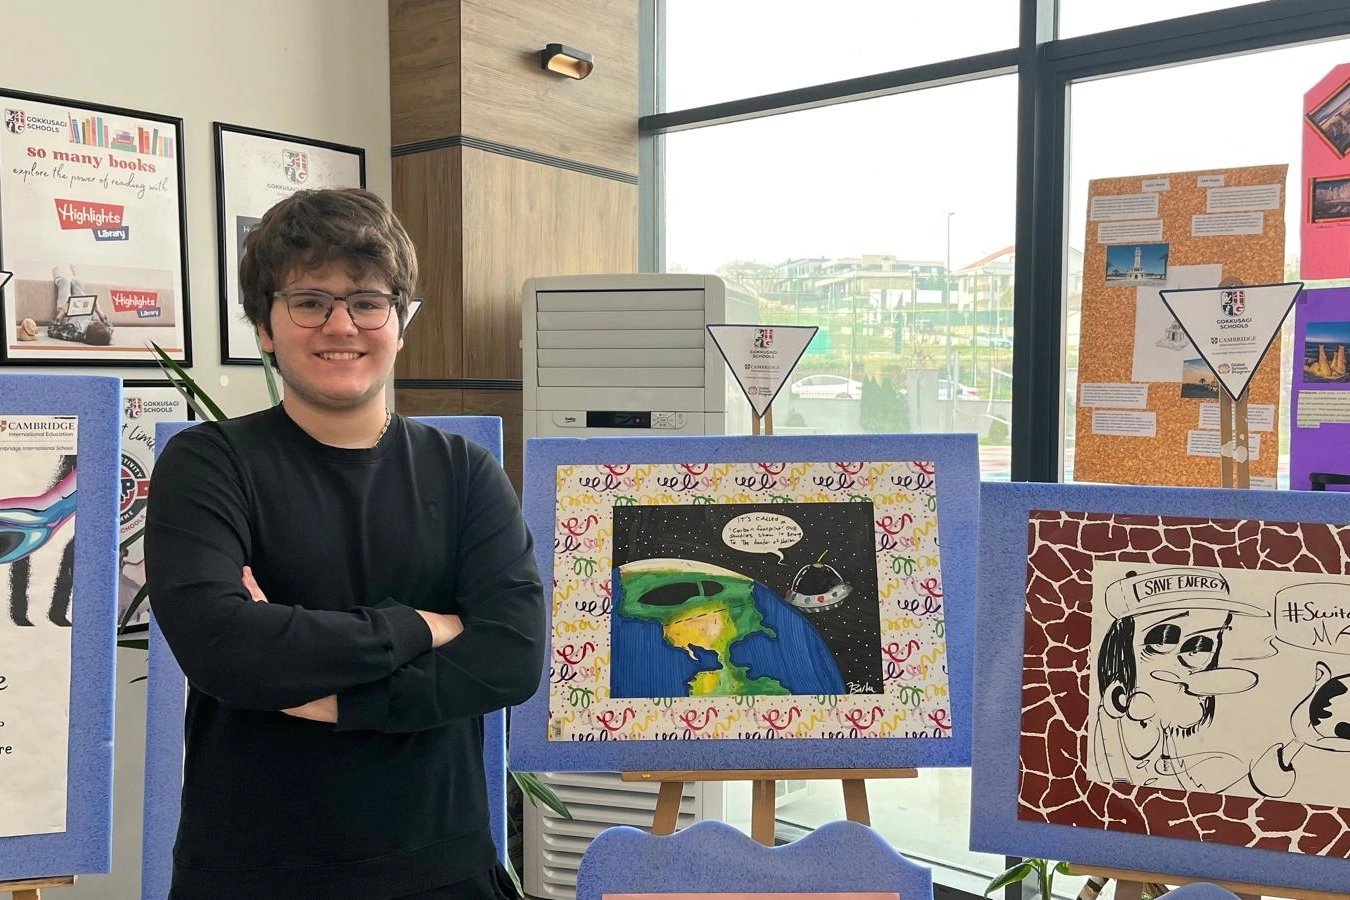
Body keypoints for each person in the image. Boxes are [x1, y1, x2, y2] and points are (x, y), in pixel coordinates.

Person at [145, 188, 546, 899]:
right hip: (252, 872)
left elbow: (510, 658)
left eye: (367, 302)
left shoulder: (464, 472)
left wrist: (330, 698)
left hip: (442, 866)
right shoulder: (209, 465)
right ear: (264, 326)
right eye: (309, 301)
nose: (342, 325)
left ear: (400, 320)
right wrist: (422, 626)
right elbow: (222, 646)